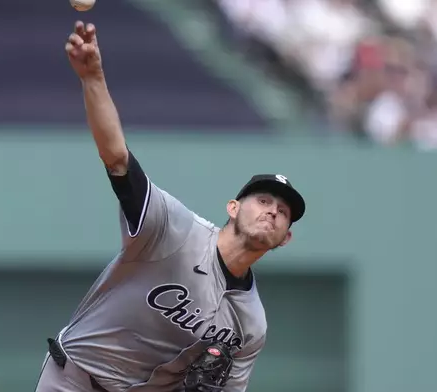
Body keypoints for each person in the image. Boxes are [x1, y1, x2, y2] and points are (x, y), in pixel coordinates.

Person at [34, 21, 307, 392]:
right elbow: (116, 159)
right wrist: (93, 79)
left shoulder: (250, 325)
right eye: (262, 200)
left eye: (283, 211)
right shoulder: (175, 230)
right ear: (232, 207)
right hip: (76, 378)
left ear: (285, 238)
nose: (272, 211)